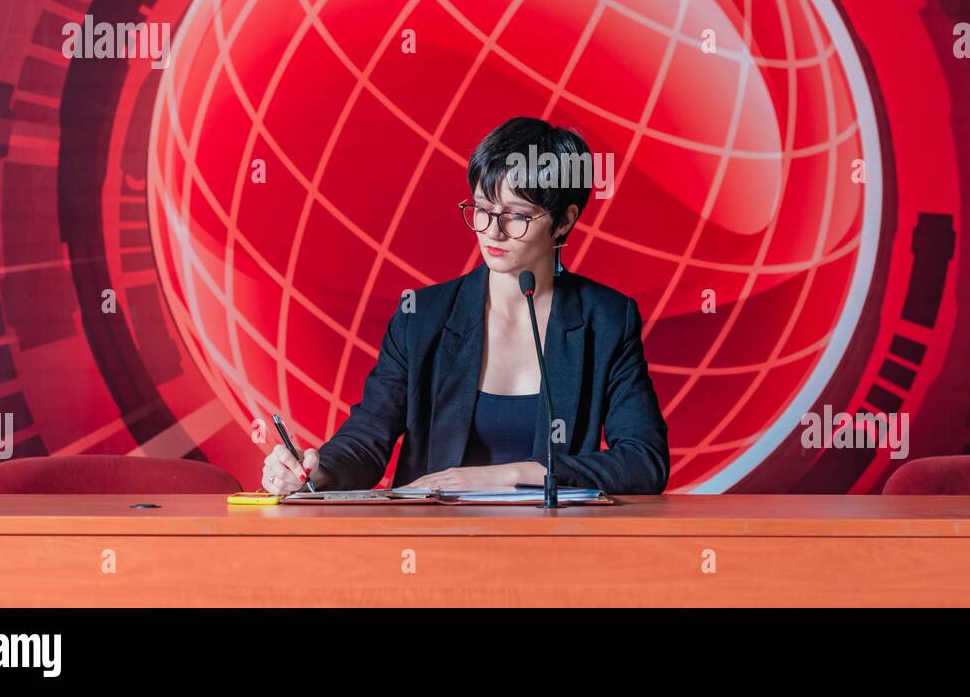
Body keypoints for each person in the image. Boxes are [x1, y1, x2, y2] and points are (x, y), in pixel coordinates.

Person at [261, 116, 670, 495]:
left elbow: (644, 462)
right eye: (482, 210)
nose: (492, 231)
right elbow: (366, 441)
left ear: (564, 221)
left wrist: (517, 474)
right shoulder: (421, 318)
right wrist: (315, 472)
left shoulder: (608, 320)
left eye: (517, 216)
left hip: (553, 550)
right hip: (432, 547)